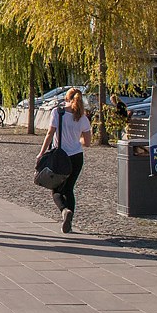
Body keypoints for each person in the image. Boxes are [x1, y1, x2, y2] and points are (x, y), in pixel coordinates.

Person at [39, 86, 93, 234]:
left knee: (56, 188)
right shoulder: (83, 118)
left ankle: (64, 211)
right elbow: (87, 142)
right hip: (76, 157)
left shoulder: (58, 112)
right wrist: (77, 140)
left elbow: (50, 133)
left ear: (66, 98)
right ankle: (69, 222)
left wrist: (41, 153)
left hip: (60, 157)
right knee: (69, 188)